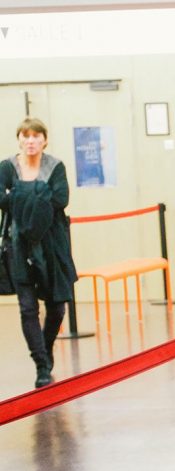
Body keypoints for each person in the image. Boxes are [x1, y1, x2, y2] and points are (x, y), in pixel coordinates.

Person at [0, 118, 73, 388]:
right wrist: (38, 194)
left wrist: (19, 194)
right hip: (17, 245)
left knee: (57, 307)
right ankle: (41, 364)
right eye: (25, 136)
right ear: (18, 138)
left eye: (36, 136)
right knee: (27, 308)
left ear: (44, 140)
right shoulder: (7, 167)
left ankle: (46, 345)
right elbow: (0, 199)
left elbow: (60, 199)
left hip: (51, 245)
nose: (30, 141)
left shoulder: (55, 166)